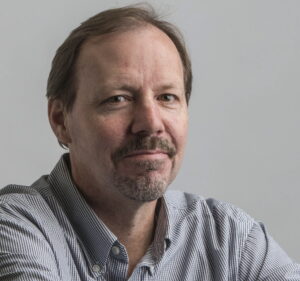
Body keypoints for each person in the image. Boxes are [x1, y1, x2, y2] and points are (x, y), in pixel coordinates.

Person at [0, 4, 299, 281]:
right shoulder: (14, 228)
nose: (151, 123)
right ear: (61, 120)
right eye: (118, 99)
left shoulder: (231, 240)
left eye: (167, 97)